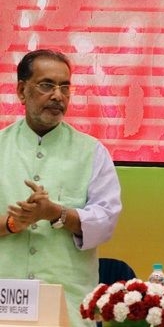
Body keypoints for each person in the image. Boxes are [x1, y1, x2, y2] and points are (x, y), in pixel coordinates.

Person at [0, 49, 122, 326]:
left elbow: (106, 222)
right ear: (21, 91)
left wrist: (56, 213)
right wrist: (11, 223)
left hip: (69, 306)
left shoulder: (92, 152)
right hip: (4, 301)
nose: (58, 95)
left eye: (65, 87)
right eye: (46, 85)